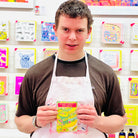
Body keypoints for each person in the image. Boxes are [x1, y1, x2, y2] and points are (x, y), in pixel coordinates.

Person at [15, 0, 127, 137]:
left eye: (79, 30)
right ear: (55, 30)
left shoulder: (105, 73)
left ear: (89, 32)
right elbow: (20, 121)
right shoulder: (35, 73)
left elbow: (120, 121)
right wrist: (36, 121)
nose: (72, 37)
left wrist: (98, 121)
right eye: (66, 29)